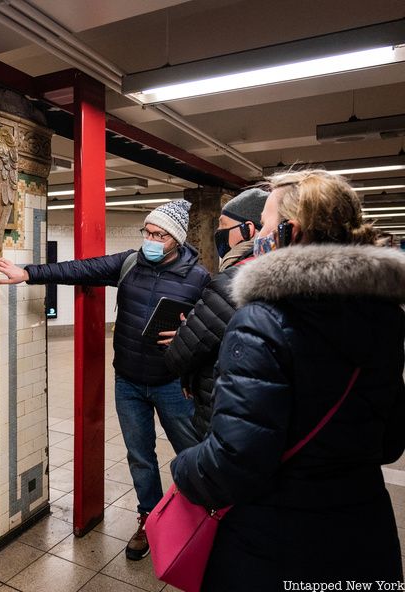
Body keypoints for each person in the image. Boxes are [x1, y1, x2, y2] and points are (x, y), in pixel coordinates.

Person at [171, 170, 405, 589]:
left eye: (262, 223)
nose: (258, 233)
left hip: (276, 541)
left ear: (289, 231)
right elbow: (390, 443)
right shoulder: (386, 315)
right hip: (364, 533)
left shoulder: (263, 320)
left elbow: (232, 464)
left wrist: (182, 466)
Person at [0, 199, 209, 560]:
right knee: (140, 456)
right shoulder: (129, 263)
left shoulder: (198, 278)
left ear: (177, 240)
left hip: (172, 383)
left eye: (160, 235)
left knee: (192, 452)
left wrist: (190, 335)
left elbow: (212, 329)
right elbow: (82, 269)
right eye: (148, 232)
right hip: (128, 382)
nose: (151, 240)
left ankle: (201, 519)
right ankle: (149, 518)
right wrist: (28, 272)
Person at [164, 187, 269, 439]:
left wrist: (185, 332)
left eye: (223, 225)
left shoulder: (232, 282)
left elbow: (179, 354)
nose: (218, 233)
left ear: (248, 230)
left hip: (222, 406)